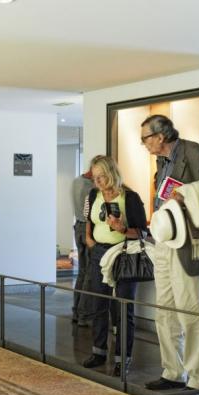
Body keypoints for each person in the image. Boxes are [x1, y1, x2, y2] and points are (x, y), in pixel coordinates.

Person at [141, 114, 199, 395]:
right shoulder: (161, 161)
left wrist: (186, 194)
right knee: (164, 310)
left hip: (188, 242)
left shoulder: (192, 151)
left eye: (145, 137)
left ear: (161, 135)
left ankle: (198, 379)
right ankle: (173, 372)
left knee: (191, 310)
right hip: (164, 241)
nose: (143, 143)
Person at [82, 155, 147, 376]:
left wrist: (121, 229)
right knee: (98, 303)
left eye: (101, 177)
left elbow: (142, 232)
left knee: (123, 308)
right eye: (95, 177)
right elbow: (88, 220)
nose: (98, 182)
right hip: (98, 252)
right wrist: (89, 239)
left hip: (123, 255)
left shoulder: (130, 197)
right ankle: (98, 351)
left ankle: (122, 358)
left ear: (111, 173)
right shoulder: (92, 195)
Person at [71, 170, 93, 325]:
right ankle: (84, 315)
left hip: (78, 227)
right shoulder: (91, 187)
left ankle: (77, 311)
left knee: (82, 273)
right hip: (87, 229)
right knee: (88, 274)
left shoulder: (76, 182)